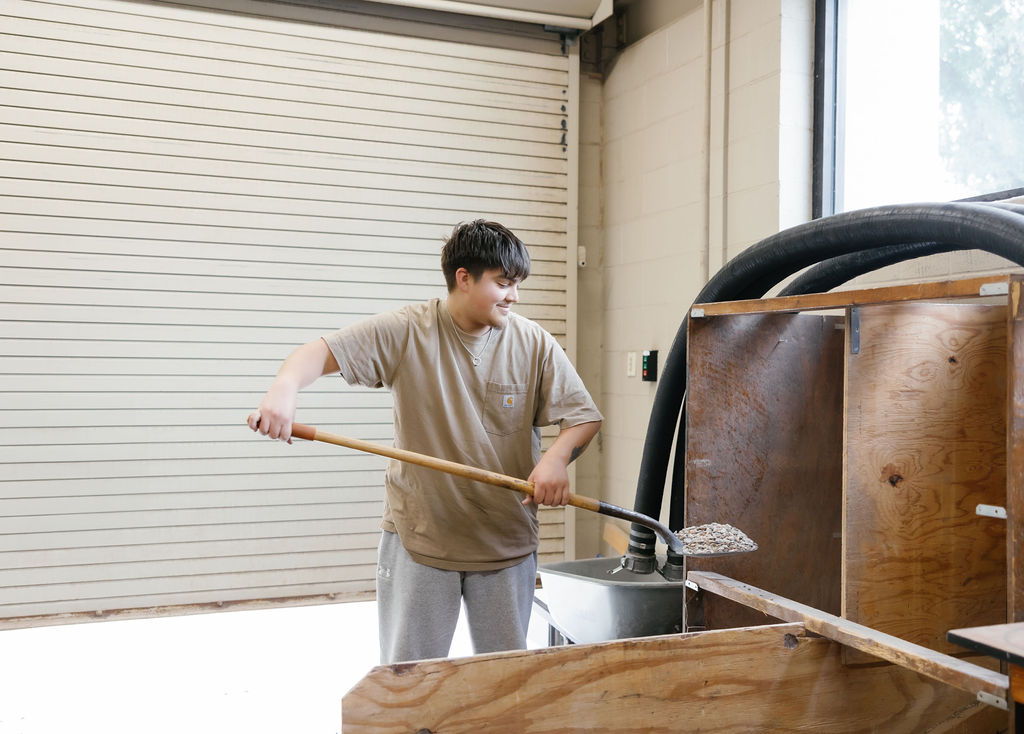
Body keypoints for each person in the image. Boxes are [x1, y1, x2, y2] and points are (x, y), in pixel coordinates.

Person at [248, 219, 602, 663]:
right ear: (464, 278)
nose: (515, 295)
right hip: (421, 537)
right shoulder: (407, 330)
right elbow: (316, 354)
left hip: (504, 540)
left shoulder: (532, 342)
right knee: (408, 675)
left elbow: (583, 418)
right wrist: (284, 389)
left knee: (507, 681)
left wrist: (555, 459)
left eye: (517, 284)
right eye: (504, 283)